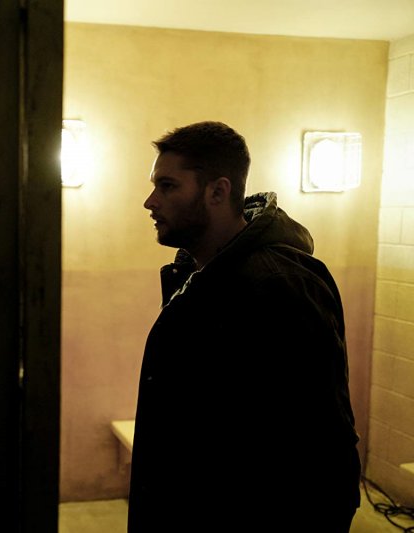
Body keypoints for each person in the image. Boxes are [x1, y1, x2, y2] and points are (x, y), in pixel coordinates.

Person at [129, 121, 361, 531]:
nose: (151, 201)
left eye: (167, 186)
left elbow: (322, 444)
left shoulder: (280, 286)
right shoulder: (201, 273)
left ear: (218, 192)